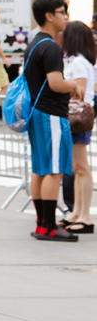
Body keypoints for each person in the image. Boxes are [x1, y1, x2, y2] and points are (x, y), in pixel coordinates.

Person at [25, 0, 83, 242]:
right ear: (49, 15)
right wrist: (75, 85)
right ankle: (49, 225)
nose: (66, 16)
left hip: (37, 113)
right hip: (51, 114)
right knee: (55, 169)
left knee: (40, 169)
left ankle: (41, 223)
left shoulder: (35, 43)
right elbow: (56, 83)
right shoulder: (50, 46)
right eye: (62, 11)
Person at [59, 21, 95, 234]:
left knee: (81, 168)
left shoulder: (79, 63)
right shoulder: (74, 61)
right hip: (74, 117)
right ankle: (77, 212)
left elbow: (79, 91)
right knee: (76, 168)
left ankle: (85, 215)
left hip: (78, 117)